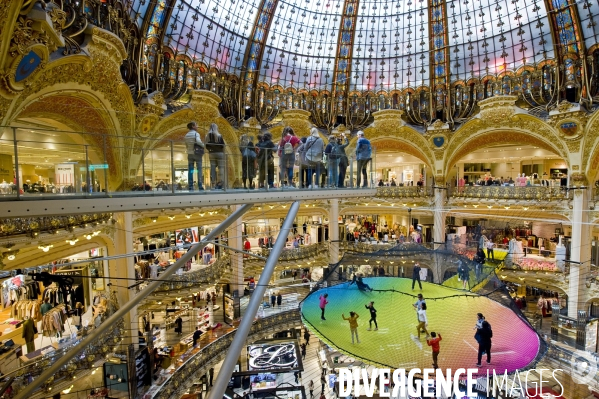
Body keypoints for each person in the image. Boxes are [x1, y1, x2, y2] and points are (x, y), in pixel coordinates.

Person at [184, 121, 205, 191]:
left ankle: (190, 186)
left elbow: (186, 145)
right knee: (199, 170)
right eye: (196, 125)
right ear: (193, 126)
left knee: (190, 170)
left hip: (190, 154)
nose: (197, 126)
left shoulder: (186, 135)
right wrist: (203, 145)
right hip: (197, 154)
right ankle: (200, 185)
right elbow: (198, 142)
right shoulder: (196, 134)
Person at [205, 123, 226, 189]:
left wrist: (210, 150)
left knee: (213, 168)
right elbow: (223, 145)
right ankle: (221, 183)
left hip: (212, 153)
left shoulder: (207, 136)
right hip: (219, 153)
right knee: (221, 168)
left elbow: (206, 146)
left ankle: (213, 184)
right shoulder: (219, 135)